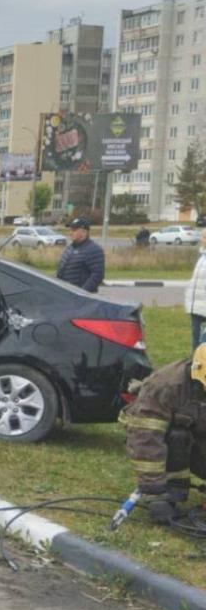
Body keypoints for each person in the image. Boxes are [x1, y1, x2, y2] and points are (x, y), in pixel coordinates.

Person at [121, 344, 206, 532]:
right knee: (176, 436)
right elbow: (145, 439)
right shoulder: (164, 386)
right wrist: (153, 489)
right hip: (169, 439)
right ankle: (169, 492)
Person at [55, 216, 106, 293]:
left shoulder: (93, 250)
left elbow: (97, 275)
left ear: (84, 232)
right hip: (66, 295)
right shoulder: (70, 248)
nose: (71, 232)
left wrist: (82, 293)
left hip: (82, 300)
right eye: (71, 230)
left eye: (74, 230)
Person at [185, 227, 206, 347]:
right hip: (196, 305)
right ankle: (196, 361)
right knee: (196, 337)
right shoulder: (201, 257)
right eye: (203, 237)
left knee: (204, 339)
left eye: (205, 237)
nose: (203, 239)